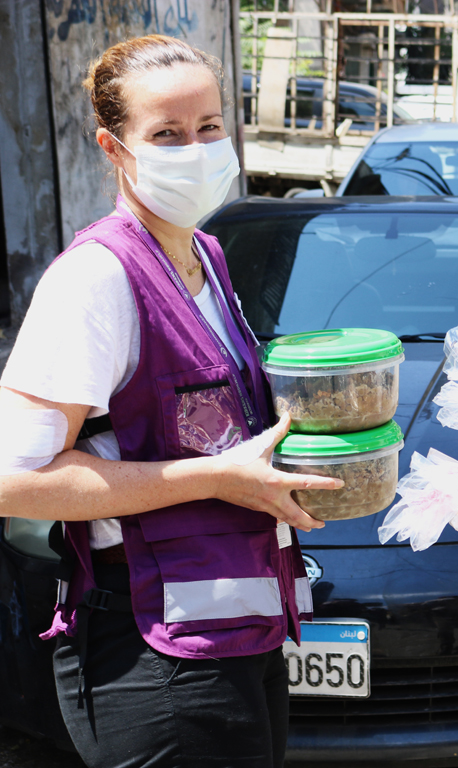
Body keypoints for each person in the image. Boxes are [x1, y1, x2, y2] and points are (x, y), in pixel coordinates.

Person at [0, 35, 342, 768]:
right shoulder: (97, 280)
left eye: (209, 127)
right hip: (152, 657)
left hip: (235, 637)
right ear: (113, 148)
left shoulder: (204, 257)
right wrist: (218, 480)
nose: (196, 149)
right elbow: (15, 481)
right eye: (166, 134)